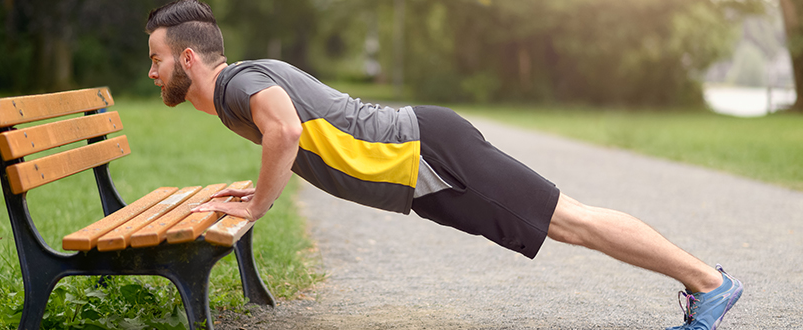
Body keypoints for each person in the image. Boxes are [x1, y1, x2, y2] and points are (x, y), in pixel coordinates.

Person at [144, 1, 742, 329]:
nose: (152, 72)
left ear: (188, 59)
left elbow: (287, 131)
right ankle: (704, 283)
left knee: (572, 221)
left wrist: (255, 204)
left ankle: (709, 284)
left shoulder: (236, 85)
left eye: (157, 59)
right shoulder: (239, 85)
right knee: (568, 223)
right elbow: (291, 134)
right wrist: (253, 193)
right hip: (421, 168)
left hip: (428, 152)